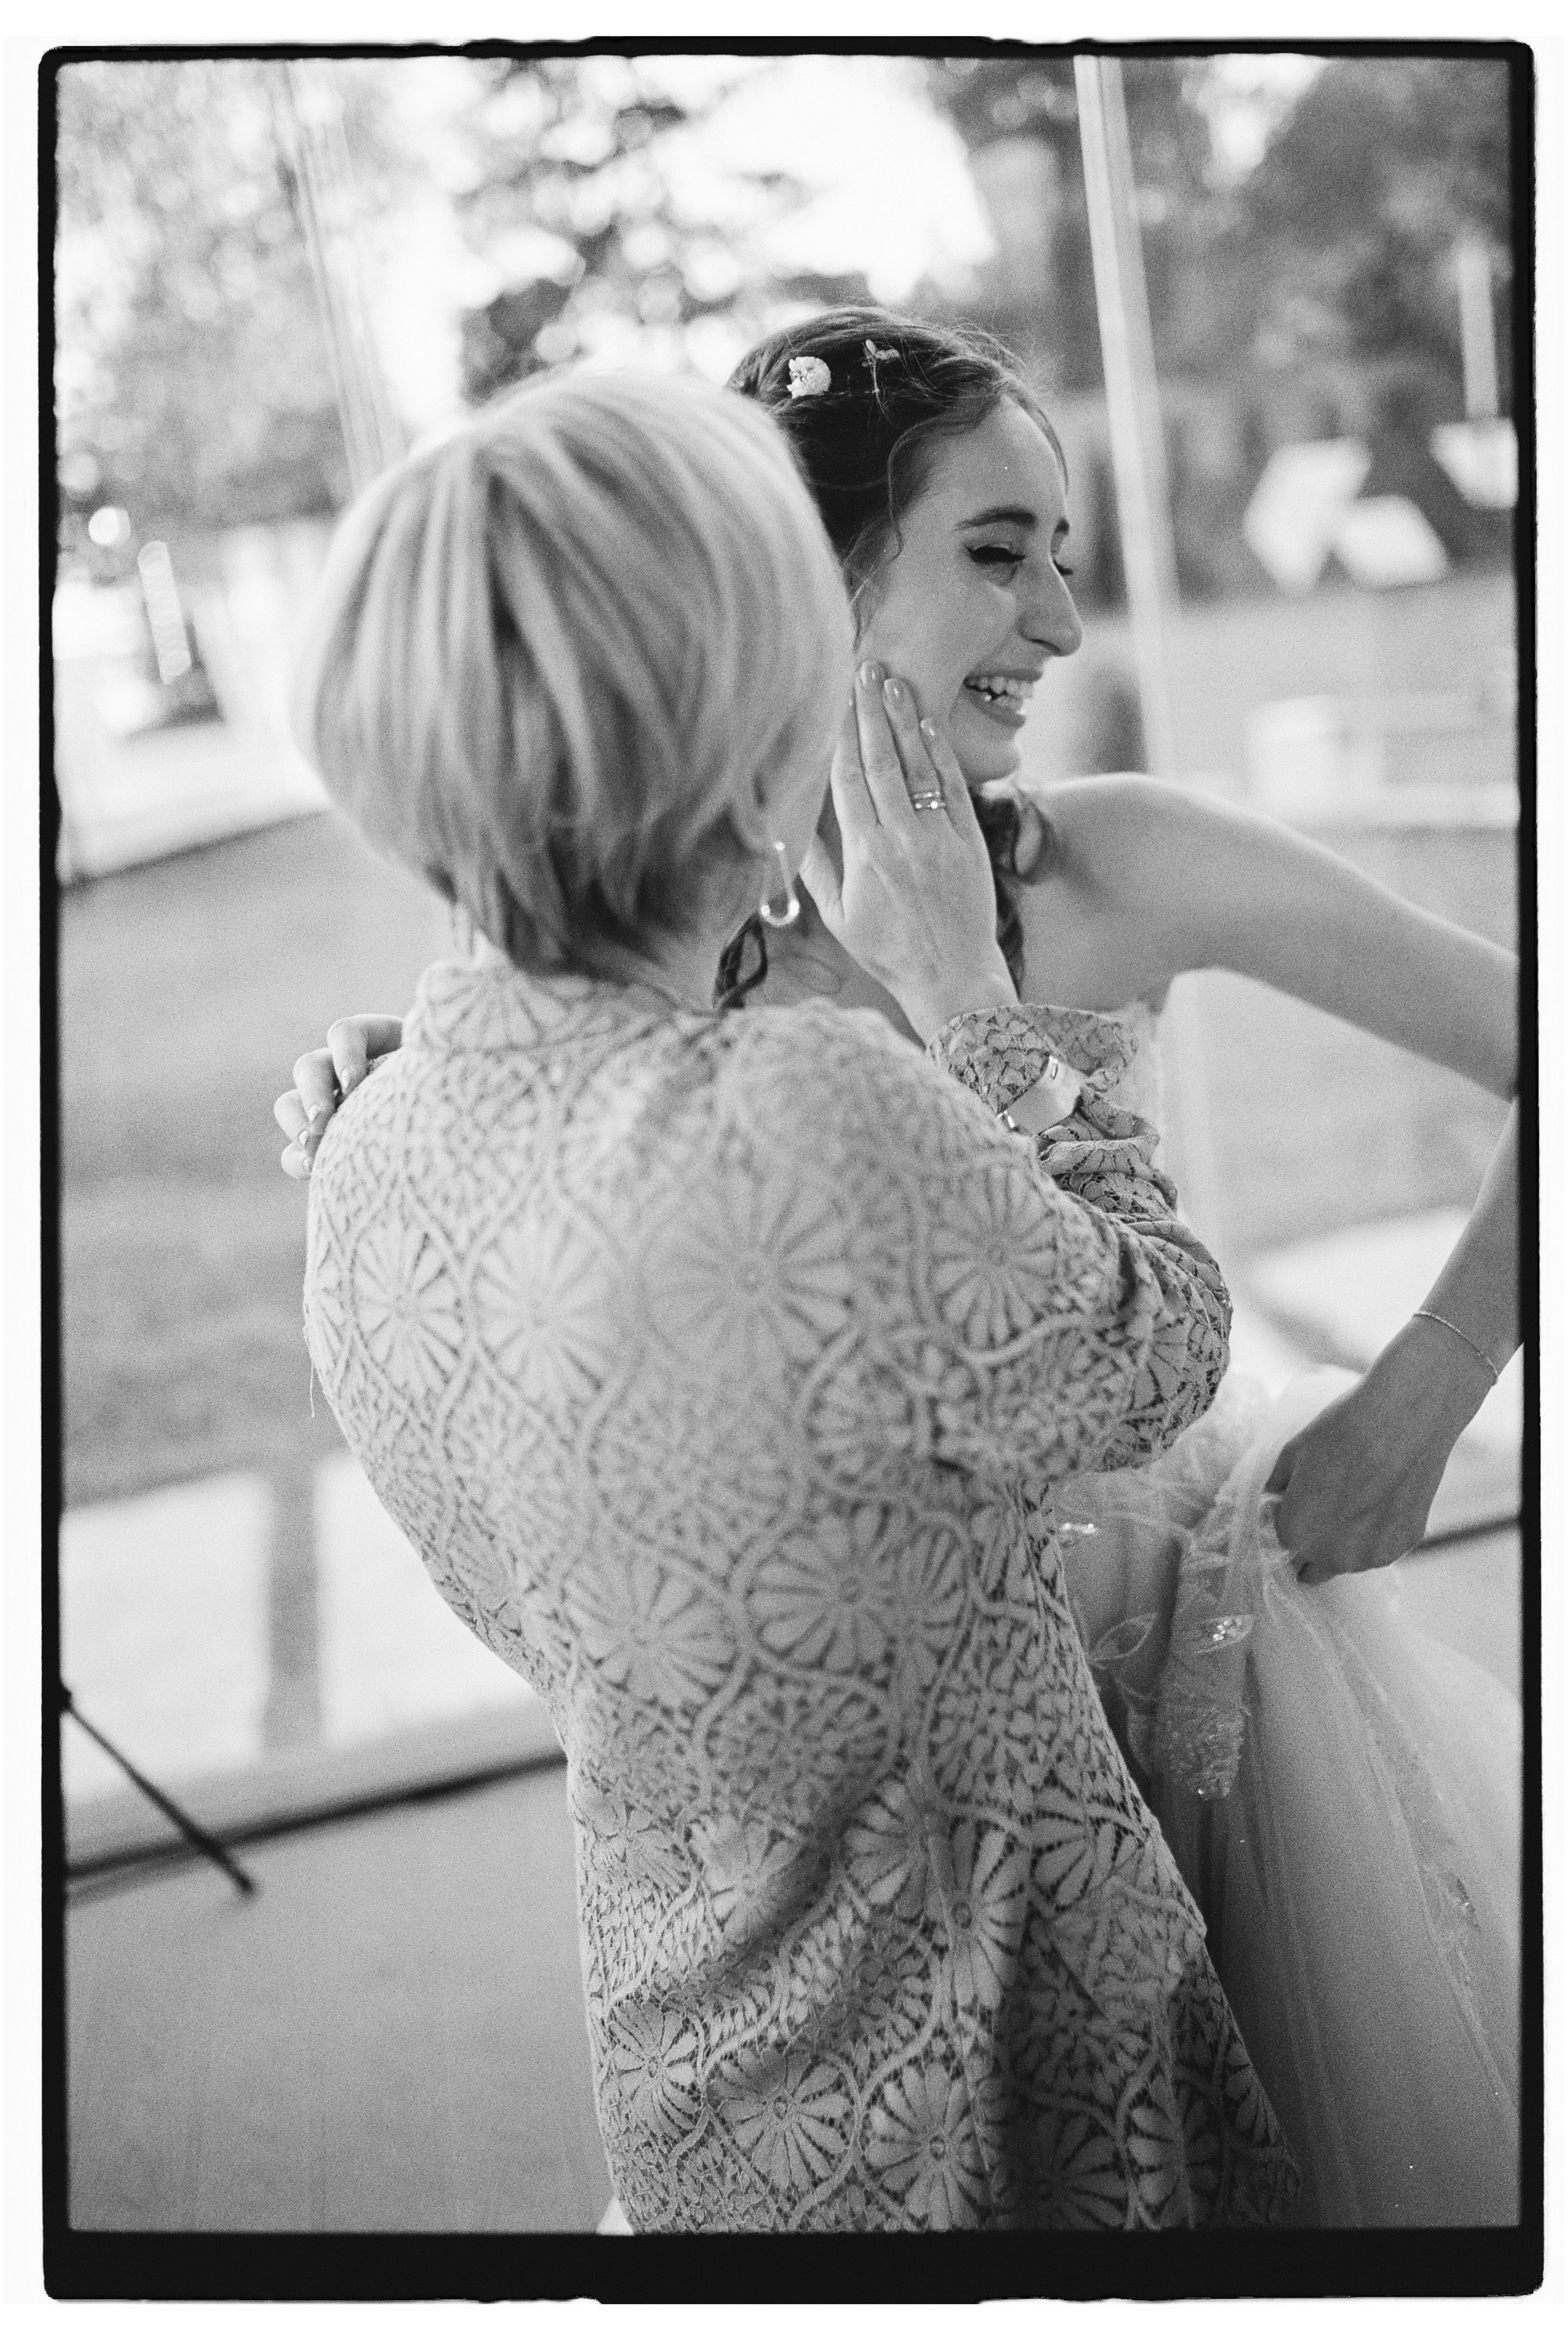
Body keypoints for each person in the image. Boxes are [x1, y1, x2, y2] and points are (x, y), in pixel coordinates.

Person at [279, 311, 1520, 2223]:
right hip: (887, 1837)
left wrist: (1426, 1391)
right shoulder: (681, 1018)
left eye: (1067, 557)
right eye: (999, 552)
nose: (1064, 624)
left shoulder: (1124, 862)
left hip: (1211, 1698)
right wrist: (435, 1080)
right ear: (806, 588)